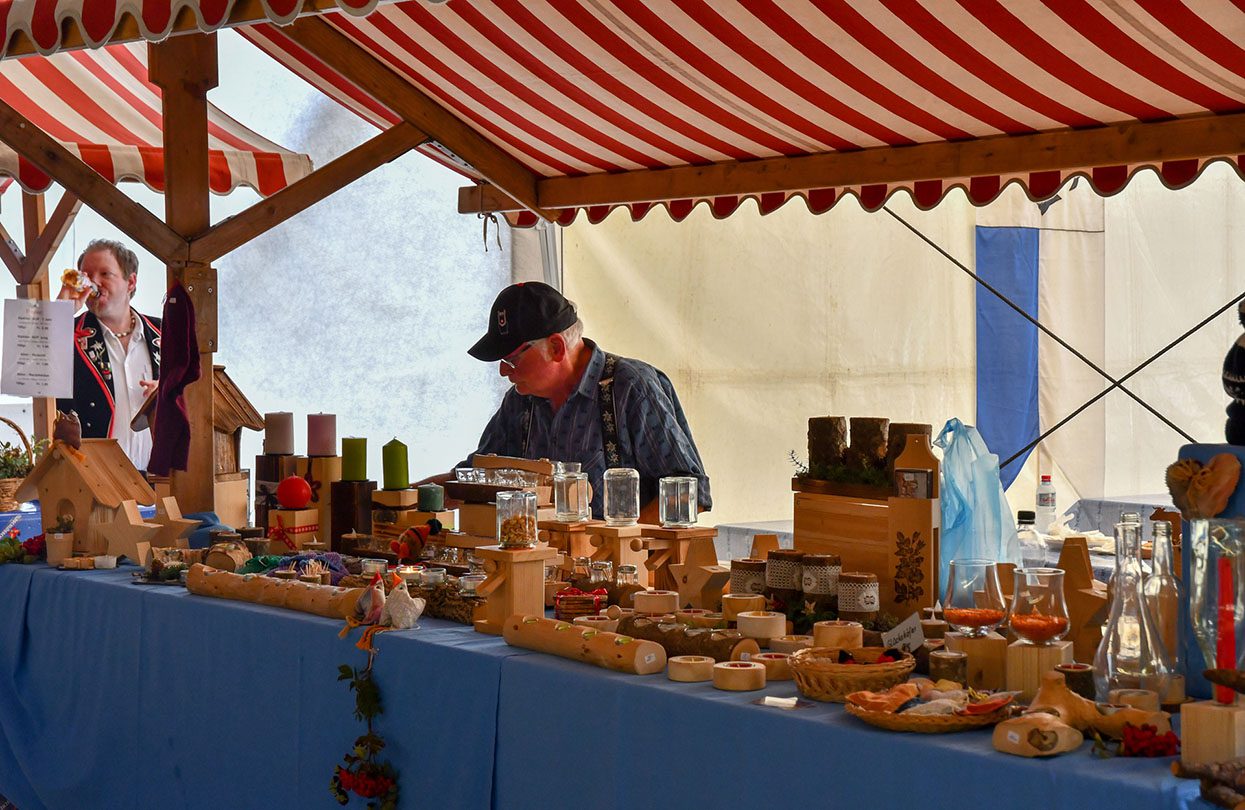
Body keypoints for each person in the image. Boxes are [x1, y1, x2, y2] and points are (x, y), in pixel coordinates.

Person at [443, 281, 711, 523]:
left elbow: (690, 491)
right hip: (542, 569)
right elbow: (474, 478)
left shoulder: (629, 387)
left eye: (512, 360)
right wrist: (406, 497)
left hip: (627, 572)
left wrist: (623, 546)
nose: (504, 371)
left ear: (556, 348)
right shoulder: (520, 403)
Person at [55, 239, 161, 471]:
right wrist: (60, 312)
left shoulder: (164, 334)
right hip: (93, 480)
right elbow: (31, 376)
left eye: (105, 273)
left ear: (130, 281)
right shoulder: (65, 331)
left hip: (161, 479)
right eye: (87, 275)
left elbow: (196, 395)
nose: (93, 283)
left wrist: (167, 395)